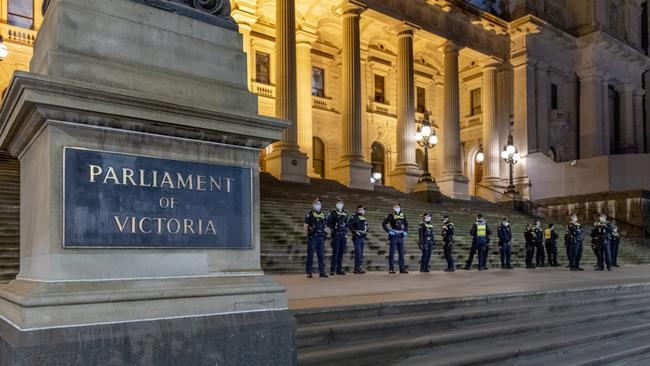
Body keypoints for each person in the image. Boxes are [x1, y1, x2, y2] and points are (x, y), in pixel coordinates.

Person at [303, 198, 328, 278]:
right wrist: (308, 235)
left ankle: (322, 272)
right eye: (317, 204)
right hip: (313, 237)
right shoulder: (310, 214)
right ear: (313, 205)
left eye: (319, 204)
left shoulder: (323, 215)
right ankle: (309, 272)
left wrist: (325, 233)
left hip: (320, 238)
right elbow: (305, 226)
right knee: (310, 255)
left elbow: (325, 226)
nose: (318, 205)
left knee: (321, 255)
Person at [382, 203, 409, 274]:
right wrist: (388, 231)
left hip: (401, 236)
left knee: (401, 253)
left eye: (398, 207)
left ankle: (402, 269)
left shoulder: (403, 215)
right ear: (393, 208)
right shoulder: (390, 215)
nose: (397, 208)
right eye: (396, 207)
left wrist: (405, 231)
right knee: (392, 253)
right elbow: (384, 224)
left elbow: (406, 224)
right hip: (394, 235)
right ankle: (391, 269)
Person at [327, 198, 349, 275]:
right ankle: (332, 270)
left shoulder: (345, 213)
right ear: (336, 204)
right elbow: (328, 222)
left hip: (343, 235)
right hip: (336, 235)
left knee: (341, 253)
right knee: (335, 253)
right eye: (338, 203)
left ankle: (339, 269)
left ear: (343, 205)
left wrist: (346, 231)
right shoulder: (333, 213)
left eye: (341, 203)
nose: (340, 204)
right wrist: (333, 227)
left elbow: (347, 224)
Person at [349, 205, 369, 274]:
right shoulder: (354, 216)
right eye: (363, 210)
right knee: (358, 253)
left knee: (360, 254)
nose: (364, 211)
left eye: (364, 210)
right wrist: (354, 232)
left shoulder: (362, 217)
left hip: (362, 237)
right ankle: (356, 269)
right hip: (357, 237)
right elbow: (350, 224)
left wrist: (365, 232)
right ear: (359, 210)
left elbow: (366, 226)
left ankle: (358, 268)